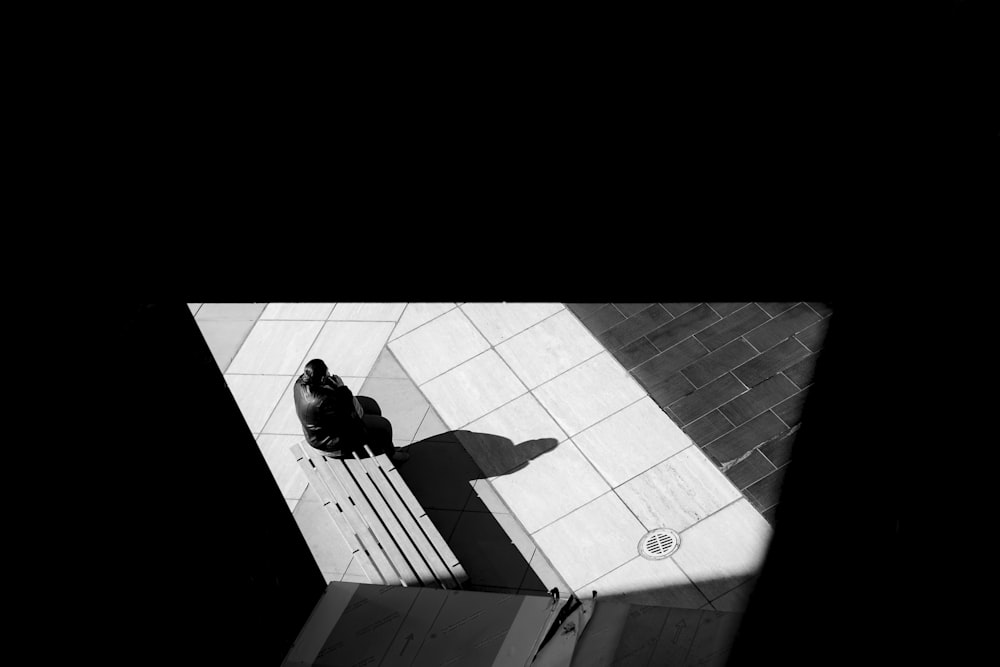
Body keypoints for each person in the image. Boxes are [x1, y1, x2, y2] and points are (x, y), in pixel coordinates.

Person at [293, 358, 410, 463]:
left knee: (372, 406)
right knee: (384, 426)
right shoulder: (323, 401)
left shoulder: (299, 383)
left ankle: (379, 444)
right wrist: (341, 388)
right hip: (330, 442)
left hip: (327, 426)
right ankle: (391, 455)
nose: (330, 374)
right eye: (327, 373)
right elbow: (349, 417)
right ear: (323, 378)